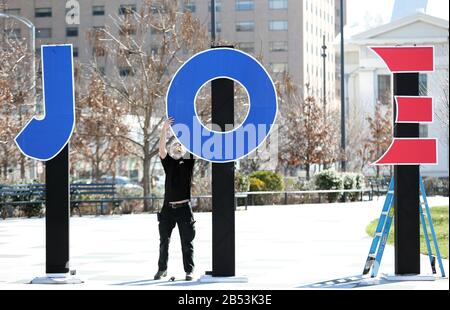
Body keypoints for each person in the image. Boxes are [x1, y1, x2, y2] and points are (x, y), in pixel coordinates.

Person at [154, 117, 196, 281]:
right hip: (168, 209)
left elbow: (193, 146)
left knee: (187, 243)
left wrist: (188, 130)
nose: (177, 147)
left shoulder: (188, 162)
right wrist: (165, 129)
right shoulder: (168, 163)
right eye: (175, 146)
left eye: (180, 146)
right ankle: (162, 269)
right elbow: (162, 149)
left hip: (184, 208)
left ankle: (189, 271)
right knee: (164, 241)